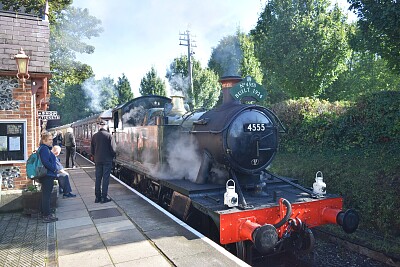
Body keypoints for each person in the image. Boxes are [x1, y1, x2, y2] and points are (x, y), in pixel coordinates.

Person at [91, 120, 116, 204]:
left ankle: (97, 197)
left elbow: (92, 150)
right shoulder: (109, 136)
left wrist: (96, 155)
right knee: (105, 178)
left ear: (99, 126)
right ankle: (104, 197)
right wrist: (112, 156)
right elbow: (113, 149)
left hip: (97, 160)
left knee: (98, 178)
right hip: (107, 160)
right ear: (106, 126)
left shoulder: (94, 136)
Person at [38, 131, 58, 223]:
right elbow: (45, 162)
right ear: (44, 140)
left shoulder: (45, 148)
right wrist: (54, 169)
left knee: (45, 195)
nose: (51, 141)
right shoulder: (44, 149)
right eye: (49, 140)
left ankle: (45, 213)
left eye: (51, 139)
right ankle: (46, 215)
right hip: (47, 175)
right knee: (46, 196)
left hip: (47, 175)